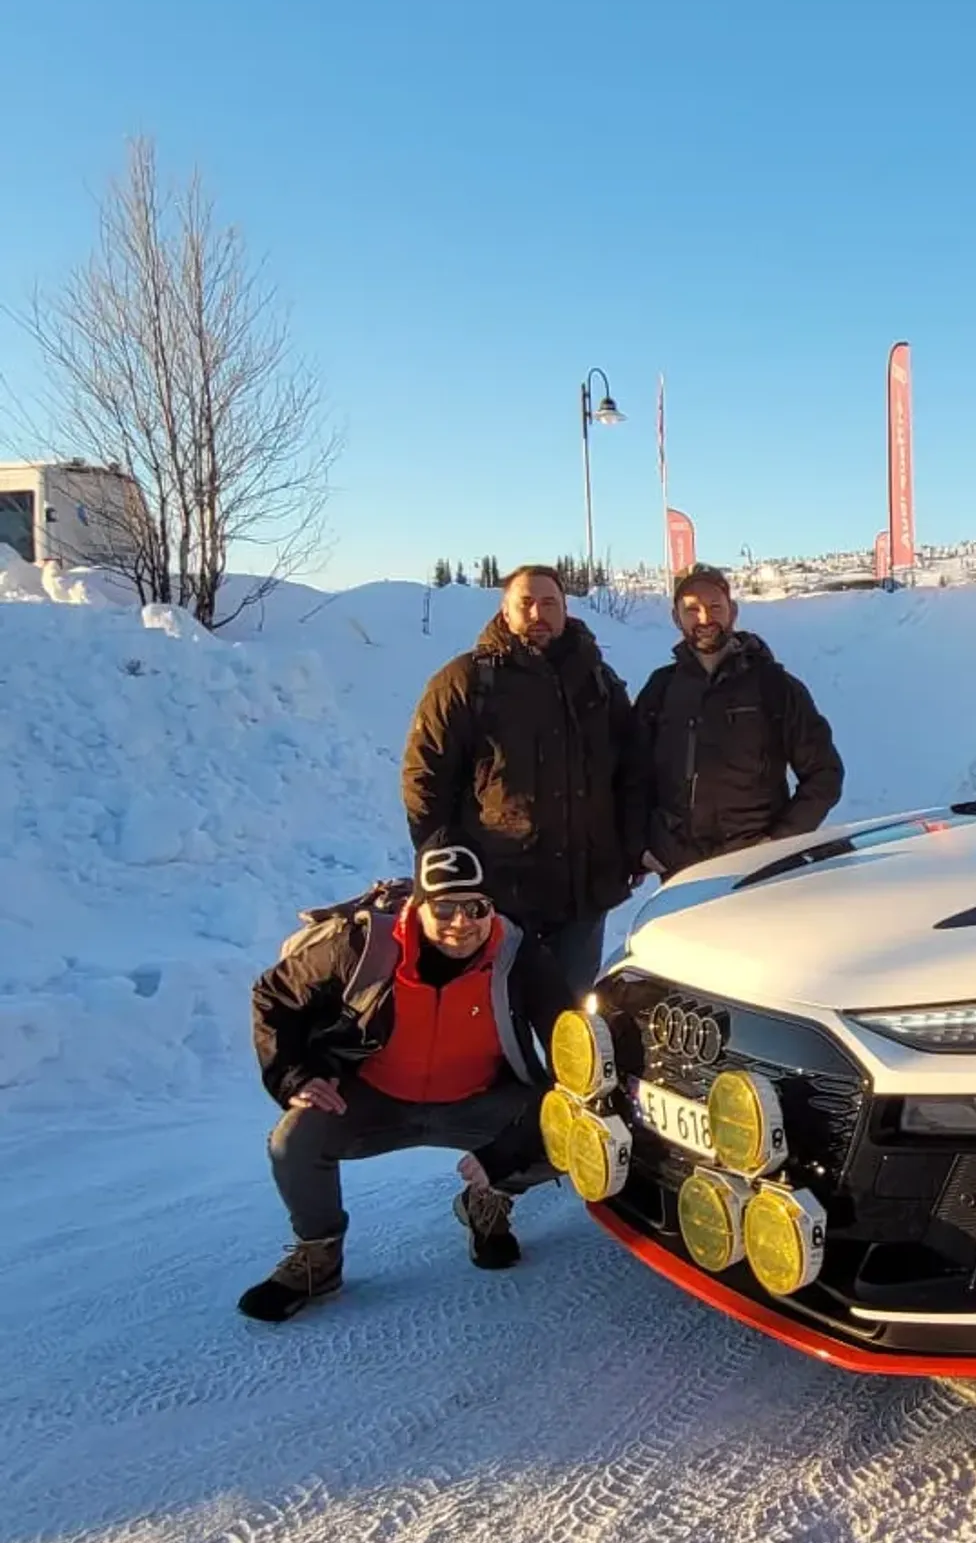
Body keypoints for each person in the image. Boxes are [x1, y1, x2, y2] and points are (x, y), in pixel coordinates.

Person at [239, 843, 573, 1323]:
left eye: (476, 907)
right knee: (293, 1141)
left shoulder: (520, 956)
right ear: (418, 907)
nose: (462, 923)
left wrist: (505, 1157)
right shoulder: (361, 947)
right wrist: (293, 1074)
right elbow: (274, 994)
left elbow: (572, 1057)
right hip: (372, 1100)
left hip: (479, 1102)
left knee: (573, 1137)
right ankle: (318, 1257)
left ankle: (489, 1198)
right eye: (445, 908)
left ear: (492, 908)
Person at [402, 564, 640, 1000]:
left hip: (581, 900)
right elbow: (425, 781)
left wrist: (629, 851)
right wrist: (448, 874)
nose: (537, 614)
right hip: (496, 899)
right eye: (525, 603)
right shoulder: (465, 681)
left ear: (566, 610)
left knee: (567, 1027)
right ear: (504, 611)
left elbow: (630, 774)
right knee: (491, 1023)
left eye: (549, 603)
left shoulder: (598, 681)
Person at [634, 564, 844, 876]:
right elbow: (631, 775)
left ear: (732, 611)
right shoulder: (661, 688)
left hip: (756, 867)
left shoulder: (773, 685)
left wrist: (779, 841)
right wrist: (642, 845)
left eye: (715, 607)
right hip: (681, 868)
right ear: (676, 617)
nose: (704, 619)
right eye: (692, 609)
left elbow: (824, 774)